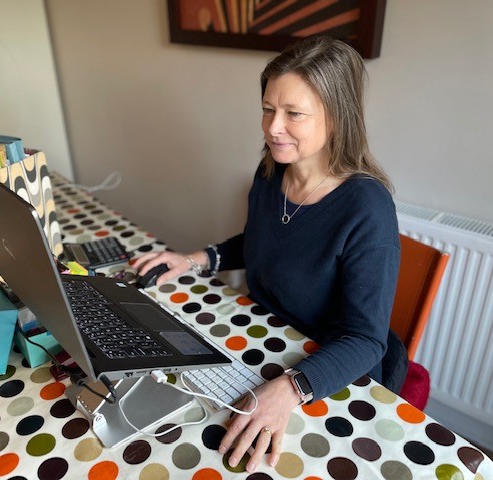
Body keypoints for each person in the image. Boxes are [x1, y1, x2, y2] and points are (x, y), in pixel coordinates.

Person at [136, 35, 407, 473]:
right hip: (266, 343)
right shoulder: (271, 173)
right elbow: (262, 244)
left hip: (329, 372)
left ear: (337, 118)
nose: (272, 127)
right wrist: (192, 260)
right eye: (268, 109)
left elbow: (365, 340)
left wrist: (291, 389)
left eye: (293, 114)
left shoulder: (367, 208)